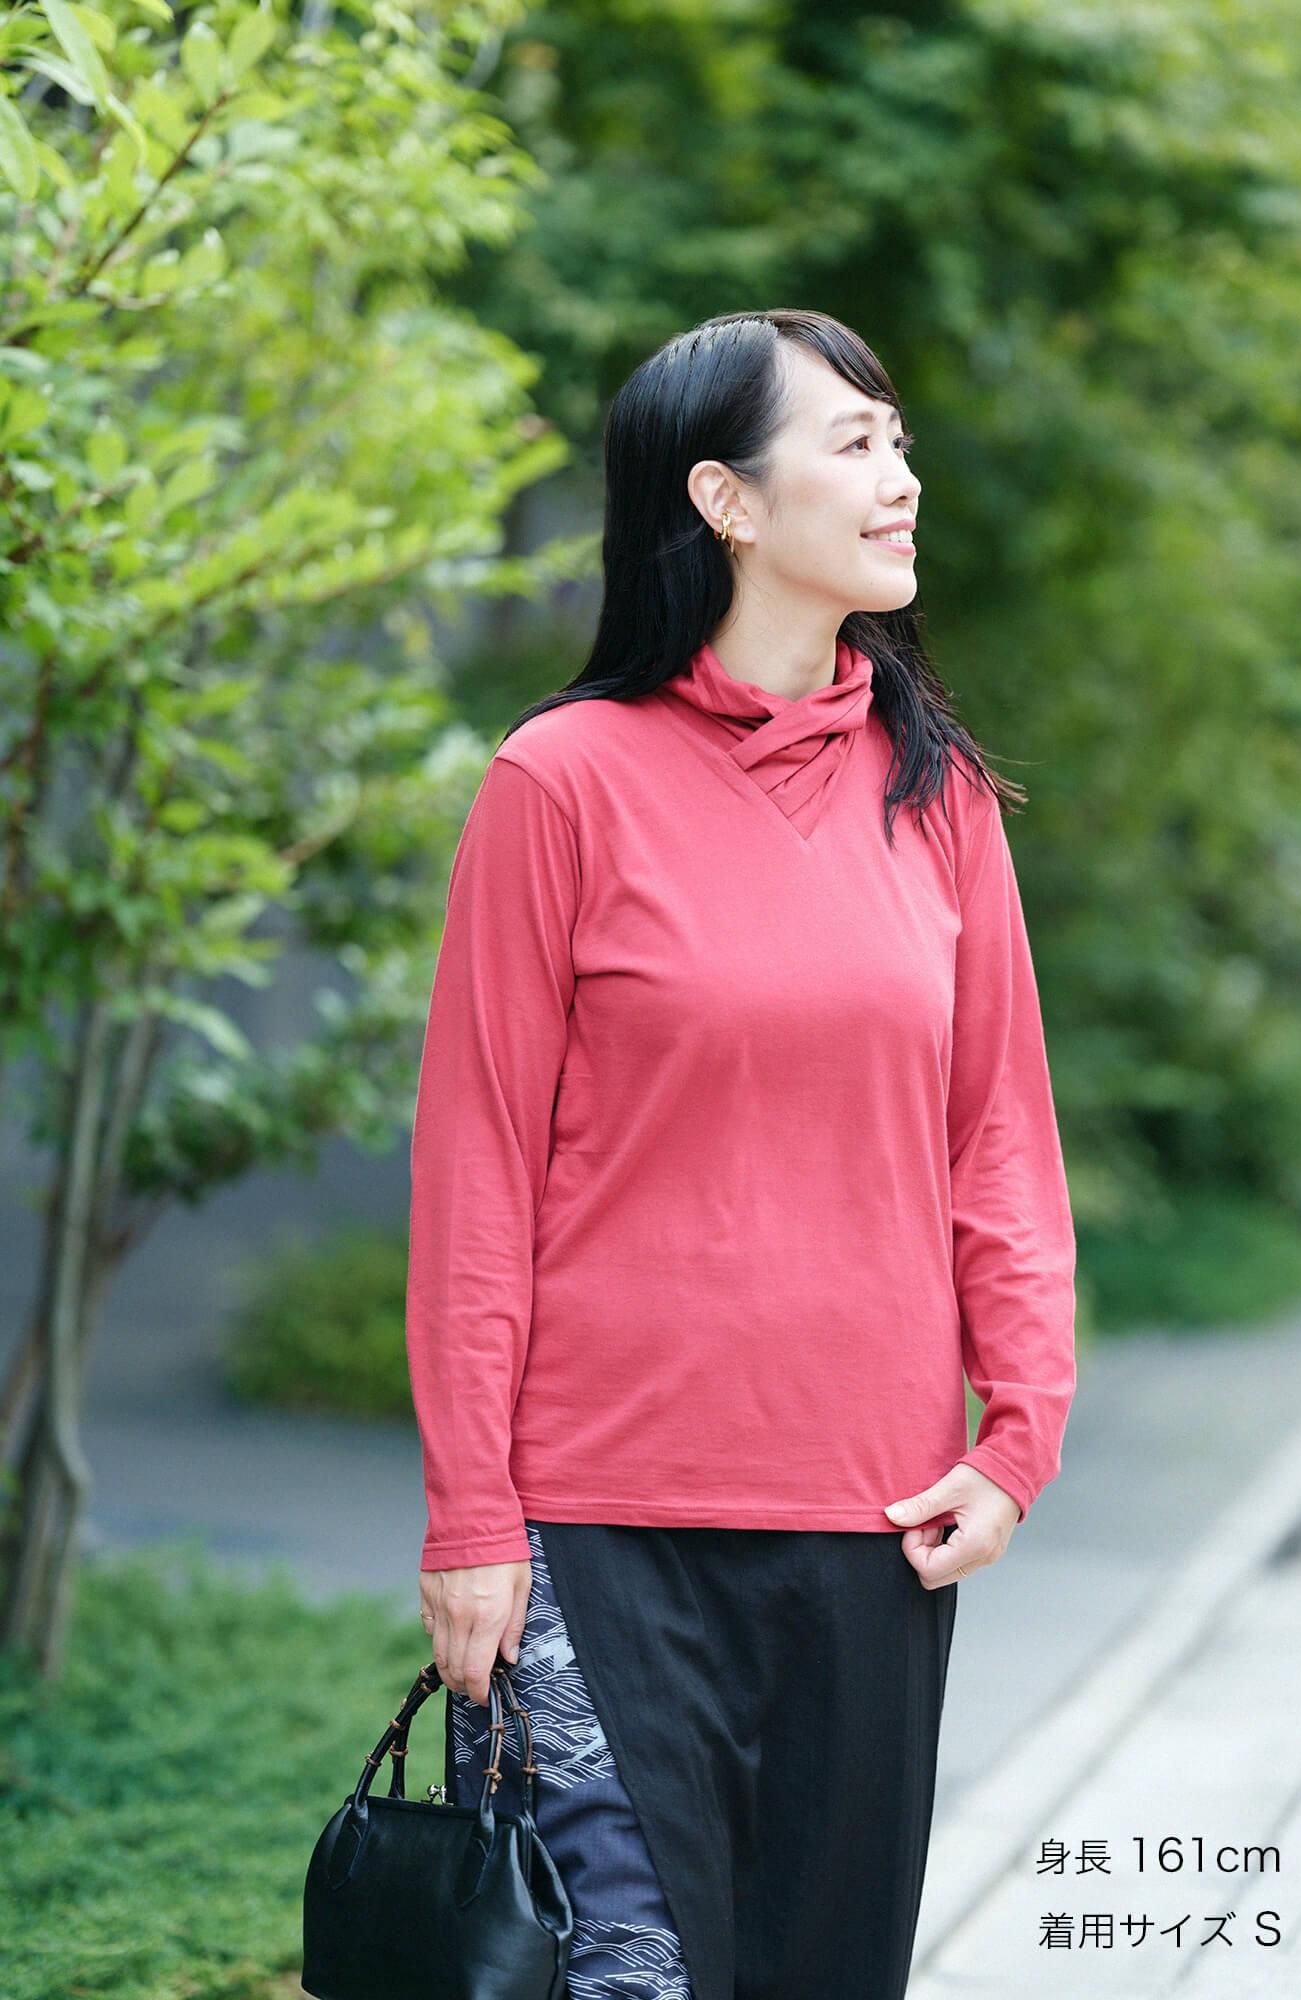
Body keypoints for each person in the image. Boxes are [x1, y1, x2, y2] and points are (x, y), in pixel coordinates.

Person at [405, 307, 1078, 1999]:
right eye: (851, 446)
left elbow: (996, 1136)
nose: (899, 479)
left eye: (896, 439)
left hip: (875, 1514)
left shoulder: (941, 801)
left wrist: (1019, 1439)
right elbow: (477, 1170)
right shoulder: (558, 785)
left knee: (823, 1970)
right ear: (721, 498)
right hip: (600, 1522)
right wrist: (470, 1513)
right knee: (629, 1971)